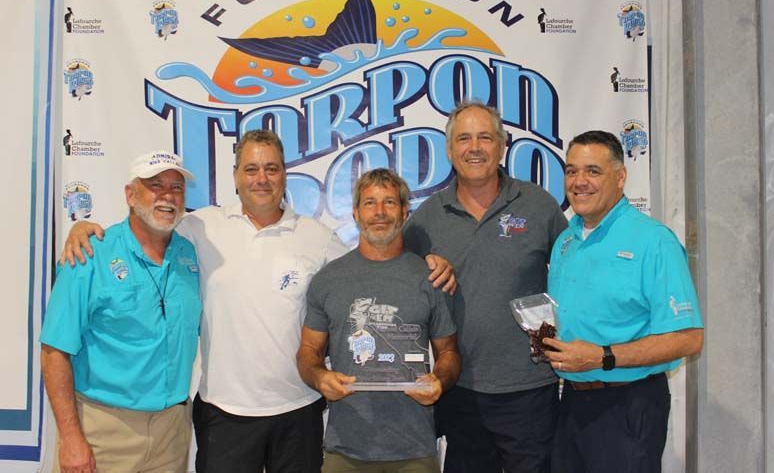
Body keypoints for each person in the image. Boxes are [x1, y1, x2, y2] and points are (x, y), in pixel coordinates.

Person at [61, 131, 456, 472]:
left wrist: (427, 258)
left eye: (272, 168)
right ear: (235, 177)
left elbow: (373, 263)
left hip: (299, 410)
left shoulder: (317, 237)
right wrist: (87, 229)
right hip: (223, 412)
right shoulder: (200, 227)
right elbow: (148, 222)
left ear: (285, 174)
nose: (262, 178)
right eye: (251, 169)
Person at [404, 101, 568, 473]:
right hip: (460, 388)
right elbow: (393, 274)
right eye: (463, 138)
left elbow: (574, 274)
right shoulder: (427, 217)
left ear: (502, 145)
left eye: (485, 137)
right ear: (449, 149)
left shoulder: (539, 205)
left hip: (529, 387)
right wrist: (422, 264)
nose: (474, 147)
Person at [542, 130, 704, 473]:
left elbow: (688, 337)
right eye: (571, 171)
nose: (579, 181)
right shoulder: (565, 242)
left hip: (629, 404)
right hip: (571, 402)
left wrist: (603, 357)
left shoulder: (653, 241)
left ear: (620, 177)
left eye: (593, 171)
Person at [41, 151, 200, 473]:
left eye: (177, 187)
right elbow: (54, 350)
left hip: (172, 431)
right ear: (130, 194)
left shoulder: (191, 252)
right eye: (155, 185)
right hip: (103, 430)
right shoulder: (89, 254)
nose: (168, 196)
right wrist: (71, 438)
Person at [297, 169, 460, 472]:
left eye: (389, 202)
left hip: (414, 449)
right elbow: (308, 350)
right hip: (345, 449)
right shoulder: (328, 280)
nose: (380, 212)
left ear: (404, 211)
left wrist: (440, 380)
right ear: (356, 213)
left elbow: (449, 352)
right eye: (370, 203)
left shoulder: (430, 278)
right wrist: (320, 377)